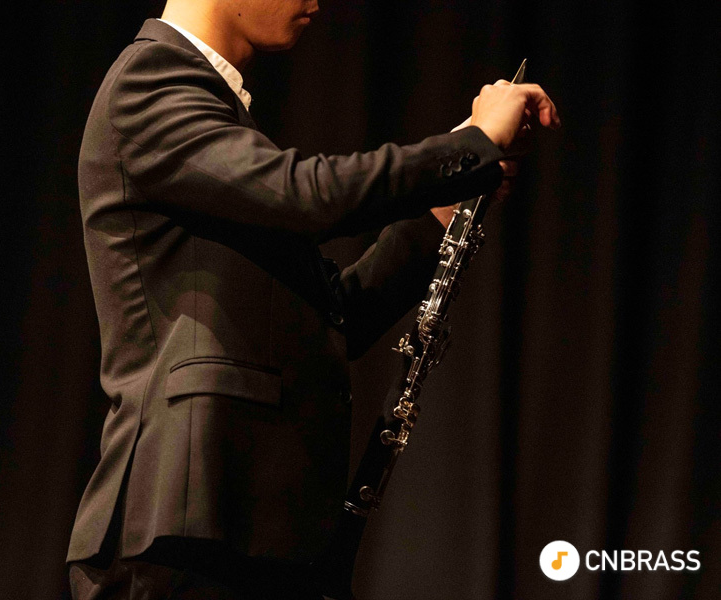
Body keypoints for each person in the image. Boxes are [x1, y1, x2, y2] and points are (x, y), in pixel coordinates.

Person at [68, 1, 559, 598]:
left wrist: (441, 205)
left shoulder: (212, 113)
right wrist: (468, 149)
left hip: (251, 529)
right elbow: (307, 195)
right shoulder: (150, 81)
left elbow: (333, 317)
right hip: (186, 527)